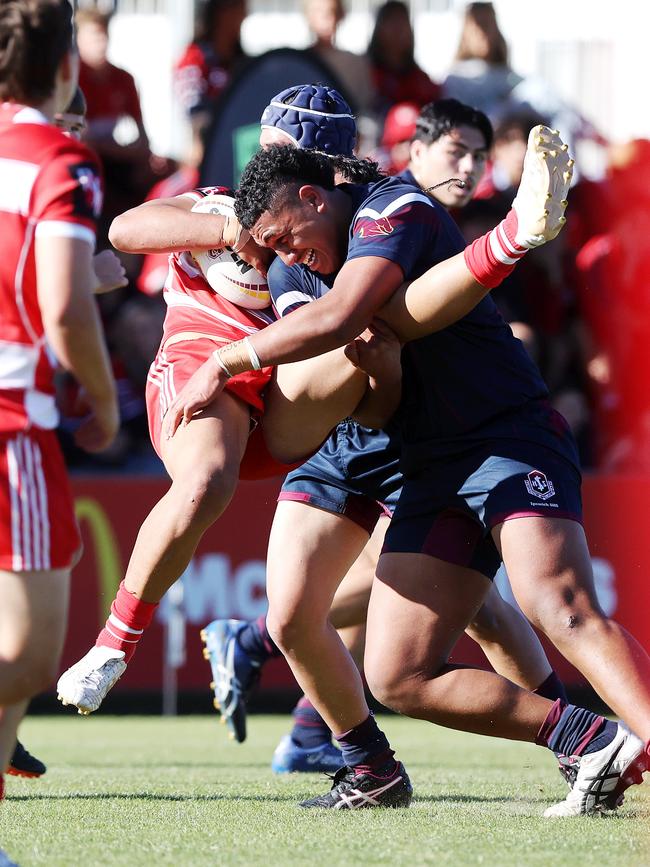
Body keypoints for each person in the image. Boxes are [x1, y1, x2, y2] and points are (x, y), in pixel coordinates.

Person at [163, 138, 648, 815]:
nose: (284, 255)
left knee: (554, 605)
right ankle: (587, 740)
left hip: (506, 434)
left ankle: (513, 234)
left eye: (286, 237)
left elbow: (344, 315)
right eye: (269, 246)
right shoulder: (293, 272)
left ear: (313, 195)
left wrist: (225, 360)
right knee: (396, 672)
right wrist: (377, 372)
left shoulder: (395, 206)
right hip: (428, 466)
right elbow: (370, 396)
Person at [205, 99, 571, 780]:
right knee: (297, 617)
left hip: (411, 430)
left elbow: (370, 352)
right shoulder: (291, 227)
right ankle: (363, 758)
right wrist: (217, 233)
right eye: (453, 151)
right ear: (417, 152)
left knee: (476, 611)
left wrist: (379, 368)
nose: (466, 167)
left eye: (476, 154)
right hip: (341, 436)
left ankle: (576, 743)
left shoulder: (392, 206)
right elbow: (130, 225)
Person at [0, 0, 118, 851]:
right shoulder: (57, 157)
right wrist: (107, 404)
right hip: (11, 424)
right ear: (65, 68)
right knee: (34, 659)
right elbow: (65, 306)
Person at [366, 0, 440, 118]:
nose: (398, 29)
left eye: (403, 21)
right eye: (391, 22)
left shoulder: (421, 79)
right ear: (378, 29)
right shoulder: (366, 74)